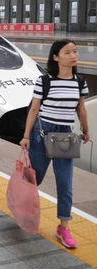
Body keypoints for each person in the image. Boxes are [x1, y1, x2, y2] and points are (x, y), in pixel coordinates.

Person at [20, 39, 90, 249]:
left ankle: (63, 227)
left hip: (64, 135)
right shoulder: (45, 81)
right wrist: (25, 136)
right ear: (56, 57)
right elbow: (34, 109)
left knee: (65, 183)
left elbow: (81, 109)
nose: (73, 55)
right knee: (34, 177)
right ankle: (22, 206)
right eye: (67, 52)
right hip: (42, 131)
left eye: (75, 51)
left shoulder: (79, 82)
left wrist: (86, 130)